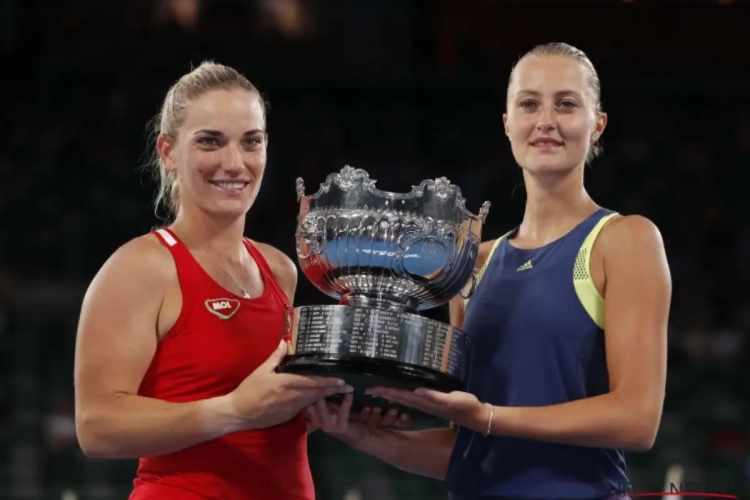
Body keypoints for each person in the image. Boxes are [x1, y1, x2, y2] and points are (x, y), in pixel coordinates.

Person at [306, 42, 672, 500]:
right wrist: (369, 437)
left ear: (597, 124)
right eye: (529, 104)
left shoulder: (625, 240)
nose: (546, 121)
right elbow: (468, 449)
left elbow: (637, 420)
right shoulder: (472, 261)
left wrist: (489, 417)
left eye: (566, 104)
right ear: (507, 123)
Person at [73, 61, 355, 499]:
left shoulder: (279, 268)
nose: (234, 163)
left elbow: (259, 426)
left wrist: (325, 410)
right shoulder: (141, 267)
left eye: (251, 142)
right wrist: (234, 411)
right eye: (210, 142)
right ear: (168, 152)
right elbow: (96, 428)